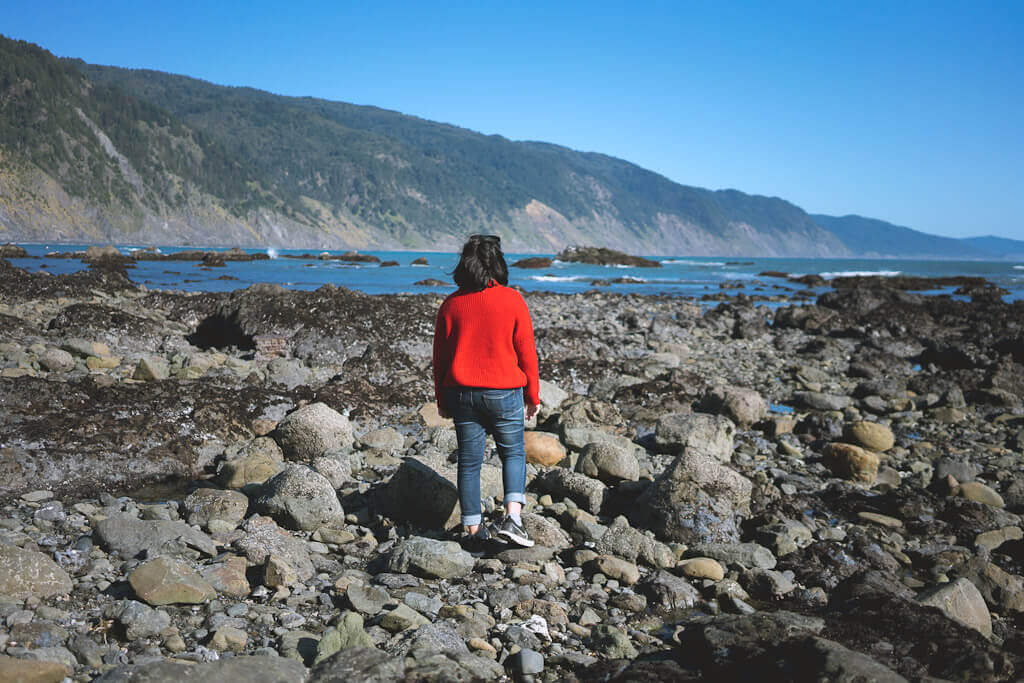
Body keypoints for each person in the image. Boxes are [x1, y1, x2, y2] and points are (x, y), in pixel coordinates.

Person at [432, 234, 540, 548]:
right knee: (513, 453)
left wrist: (441, 399)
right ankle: (513, 520)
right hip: (505, 392)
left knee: (469, 462)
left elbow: (440, 359)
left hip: (462, 393)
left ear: (464, 265)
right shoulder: (513, 300)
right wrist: (532, 395)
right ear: (498, 263)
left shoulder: (451, 305)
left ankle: (473, 531)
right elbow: (527, 352)